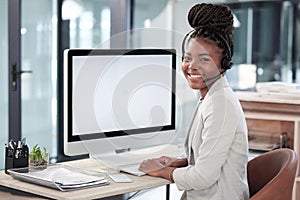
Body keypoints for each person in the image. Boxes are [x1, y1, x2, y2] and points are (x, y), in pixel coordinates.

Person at [139, 3, 249, 200]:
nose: (191, 66)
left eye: (204, 60)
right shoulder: (211, 98)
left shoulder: (220, 105)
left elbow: (203, 177)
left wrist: (162, 171)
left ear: (223, 65)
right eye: (188, 58)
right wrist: (181, 162)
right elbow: (211, 158)